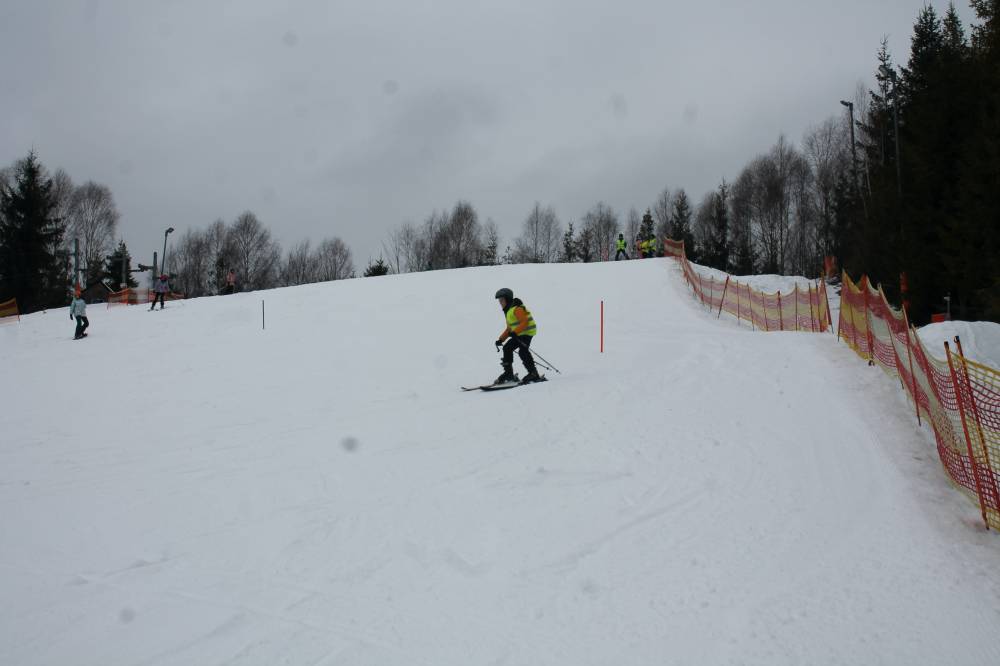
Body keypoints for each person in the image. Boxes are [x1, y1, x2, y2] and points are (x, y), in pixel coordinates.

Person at [494, 287, 541, 384]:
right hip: (519, 334)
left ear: (507, 299)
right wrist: (501, 339)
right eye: (499, 300)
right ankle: (508, 374)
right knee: (507, 348)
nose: (500, 302)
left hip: (527, 333)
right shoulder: (508, 311)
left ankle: (533, 374)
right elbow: (509, 328)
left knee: (523, 351)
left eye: (501, 300)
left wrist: (515, 332)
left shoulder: (517, 308)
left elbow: (524, 322)